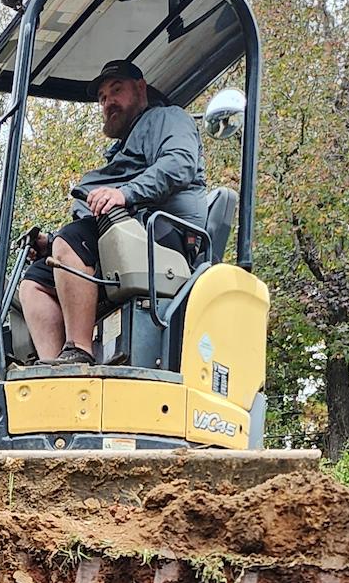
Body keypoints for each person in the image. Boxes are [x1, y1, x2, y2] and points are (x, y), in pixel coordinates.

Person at [16, 60, 209, 369]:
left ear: (141, 88)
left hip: (165, 236)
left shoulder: (166, 119)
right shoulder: (120, 152)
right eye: (103, 98)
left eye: (116, 90)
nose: (108, 102)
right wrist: (51, 244)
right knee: (34, 281)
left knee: (72, 240)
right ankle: (54, 370)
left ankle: (78, 352)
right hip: (124, 235)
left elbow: (179, 165)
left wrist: (124, 193)